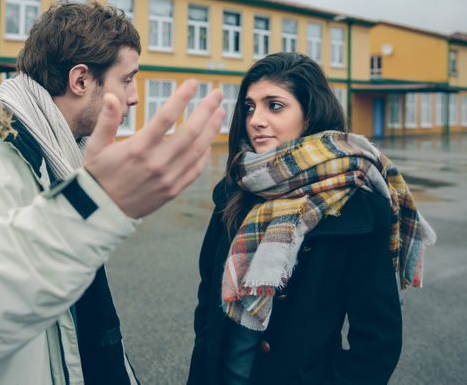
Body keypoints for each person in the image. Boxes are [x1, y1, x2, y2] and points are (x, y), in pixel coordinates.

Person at [0, 1, 225, 385]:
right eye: (127, 79)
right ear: (80, 81)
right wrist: (87, 206)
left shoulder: (58, 154)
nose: (134, 97)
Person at [187, 52, 436, 385]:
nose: (256, 119)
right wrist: (205, 343)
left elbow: (377, 339)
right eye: (249, 106)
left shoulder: (356, 205)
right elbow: (208, 289)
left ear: (310, 114)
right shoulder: (236, 189)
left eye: (274, 105)